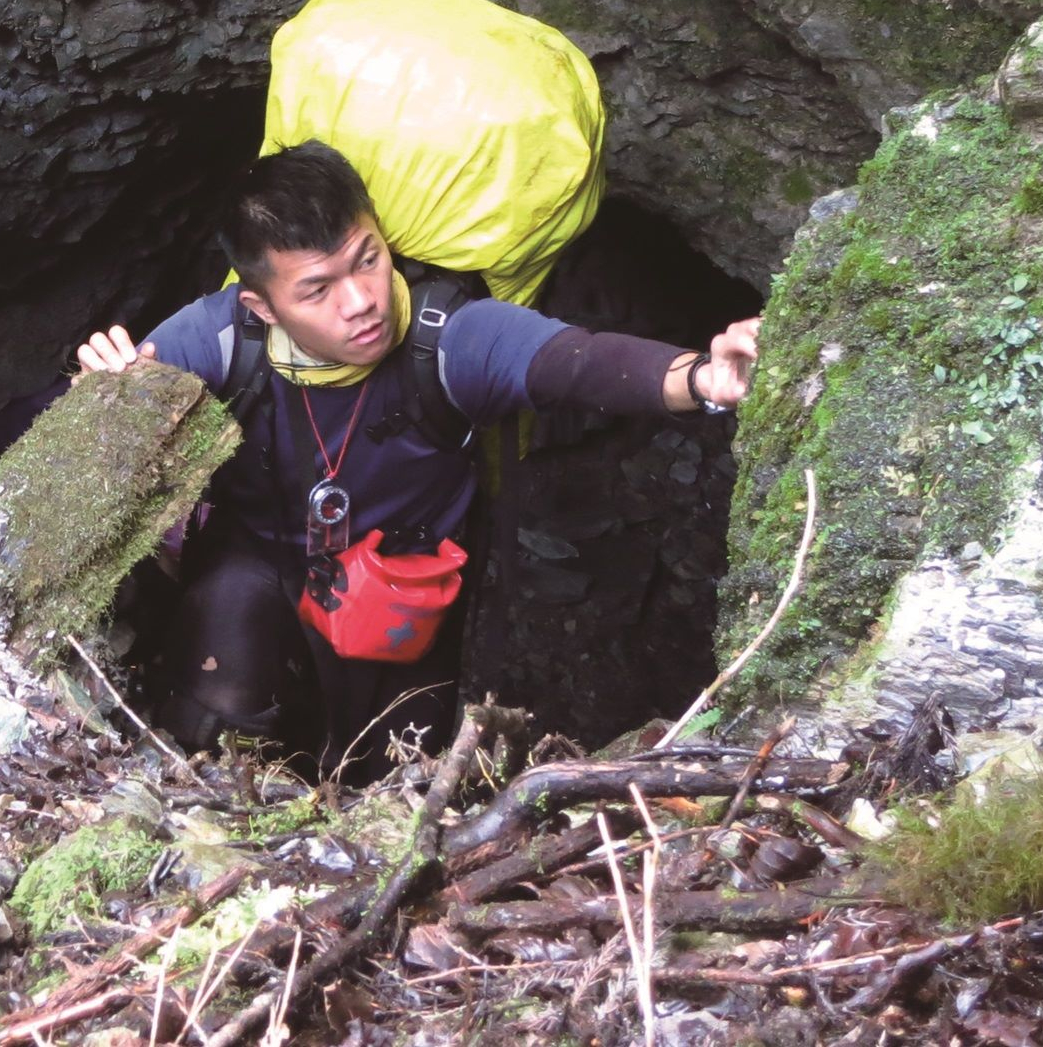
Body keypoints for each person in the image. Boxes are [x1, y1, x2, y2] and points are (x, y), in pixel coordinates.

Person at [74, 142, 759, 777]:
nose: (362, 301)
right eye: (317, 290)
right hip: (260, 570)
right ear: (264, 305)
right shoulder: (220, 337)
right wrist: (103, 401)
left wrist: (698, 378)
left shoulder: (445, 337)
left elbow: (569, 361)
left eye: (367, 259)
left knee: (398, 772)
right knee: (217, 701)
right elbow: (115, 416)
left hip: (404, 589)